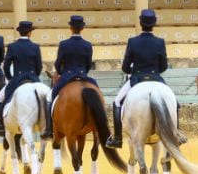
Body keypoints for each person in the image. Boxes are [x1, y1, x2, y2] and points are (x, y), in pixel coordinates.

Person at [106, 9, 169, 148]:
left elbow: (125, 67)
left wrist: (134, 71)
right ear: (154, 24)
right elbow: (163, 66)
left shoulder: (133, 41)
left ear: (140, 23)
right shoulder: (160, 42)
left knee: (117, 102)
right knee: (174, 101)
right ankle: (176, 133)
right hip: (156, 78)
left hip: (137, 79)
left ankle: (117, 138)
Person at [41, 15, 96, 140]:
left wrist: (61, 72)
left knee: (50, 98)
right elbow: (88, 64)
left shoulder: (64, 44)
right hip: (83, 75)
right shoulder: (87, 44)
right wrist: (83, 73)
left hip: (67, 76)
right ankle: (103, 129)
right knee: (98, 95)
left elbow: (58, 63)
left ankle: (49, 130)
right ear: (82, 28)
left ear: (70, 28)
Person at [0, 21, 43, 136]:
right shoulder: (35, 47)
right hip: (33, 78)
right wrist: (34, 76)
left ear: (20, 32)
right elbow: (39, 66)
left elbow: (6, 66)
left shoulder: (12, 46)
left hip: (17, 79)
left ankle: (1, 126)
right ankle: (49, 126)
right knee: (47, 98)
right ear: (30, 33)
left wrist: (11, 79)